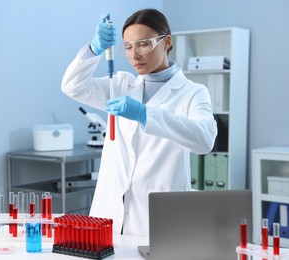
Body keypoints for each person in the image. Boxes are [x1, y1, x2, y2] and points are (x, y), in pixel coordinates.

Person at [61, 9, 217, 236]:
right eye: (128, 46)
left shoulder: (193, 93)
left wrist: (146, 114)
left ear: (167, 42)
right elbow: (72, 86)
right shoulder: (120, 84)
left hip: (158, 215)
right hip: (111, 212)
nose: (135, 55)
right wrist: (94, 49)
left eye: (143, 44)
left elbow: (204, 140)